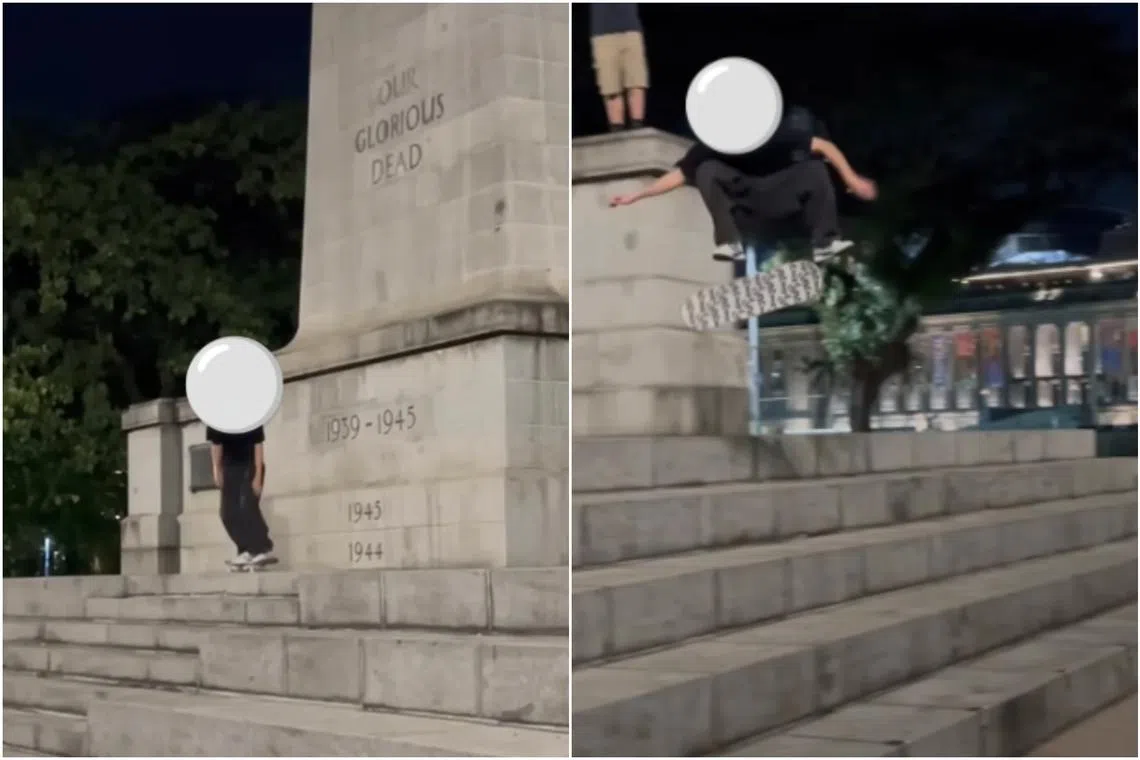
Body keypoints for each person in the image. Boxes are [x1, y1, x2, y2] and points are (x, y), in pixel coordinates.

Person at [610, 105, 878, 263]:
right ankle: (729, 242)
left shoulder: (773, 134)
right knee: (706, 169)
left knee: (814, 168)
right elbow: (678, 176)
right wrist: (636, 196)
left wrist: (852, 179)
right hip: (744, 203)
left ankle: (824, 242)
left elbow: (824, 146)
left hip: (779, 194)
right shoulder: (711, 146)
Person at [208, 424, 275, 568]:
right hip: (229, 467)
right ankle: (245, 550)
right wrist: (216, 469)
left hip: (251, 464)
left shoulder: (251, 415)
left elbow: (258, 444)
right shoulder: (216, 416)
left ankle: (260, 547)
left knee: (247, 507)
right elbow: (216, 443)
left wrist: (257, 476)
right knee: (227, 513)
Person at [589, 3, 649, 131]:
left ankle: (637, 127)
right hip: (602, 33)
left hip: (631, 30)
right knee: (611, 88)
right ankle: (617, 131)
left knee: (636, 82)